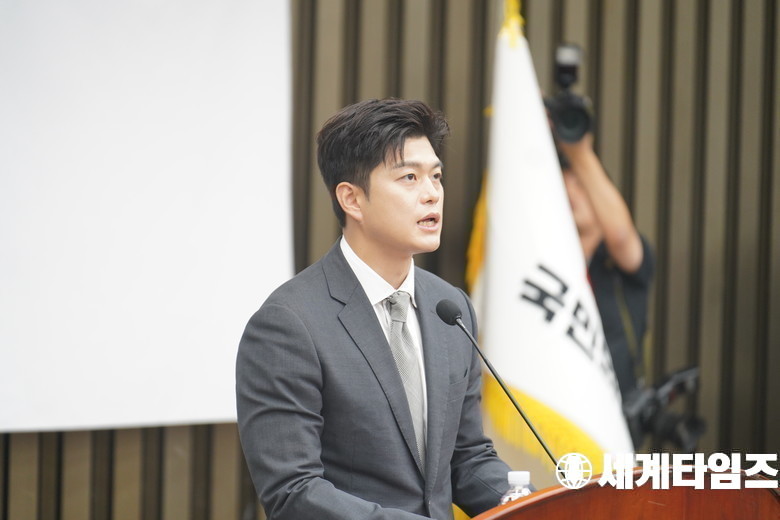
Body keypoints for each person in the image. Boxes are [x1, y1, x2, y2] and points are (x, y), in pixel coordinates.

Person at [236, 99, 512, 519]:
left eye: (436, 176)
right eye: (409, 177)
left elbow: (467, 457)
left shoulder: (450, 308)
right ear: (352, 199)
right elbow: (293, 492)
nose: (432, 193)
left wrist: (531, 505)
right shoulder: (288, 325)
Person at [556, 134, 654, 405]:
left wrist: (579, 152)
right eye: (563, 184)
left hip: (616, 406)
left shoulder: (619, 260)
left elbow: (621, 235)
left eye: (579, 183)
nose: (569, 192)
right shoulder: (550, 259)